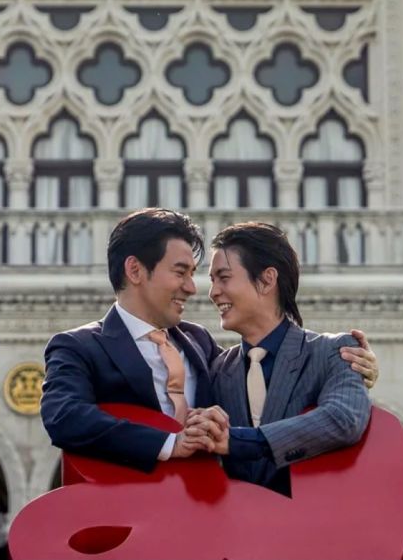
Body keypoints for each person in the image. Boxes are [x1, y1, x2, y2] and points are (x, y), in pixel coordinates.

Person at [39, 208, 378, 472]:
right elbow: (64, 416)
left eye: (215, 276)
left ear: (267, 280)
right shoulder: (78, 347)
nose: (196, 289)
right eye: (181, 272)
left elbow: (328, 407)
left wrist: (356, 370)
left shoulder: (200, 345)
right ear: (135, 270)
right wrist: (171, 443)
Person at [183, 222, 371, 494]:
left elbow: (343, 419)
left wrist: (237, 441)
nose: (213, 293)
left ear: (267, 280)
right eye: (212, 281)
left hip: (310, 529)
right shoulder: (217, 371)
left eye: (223, 277)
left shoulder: (335, 351)